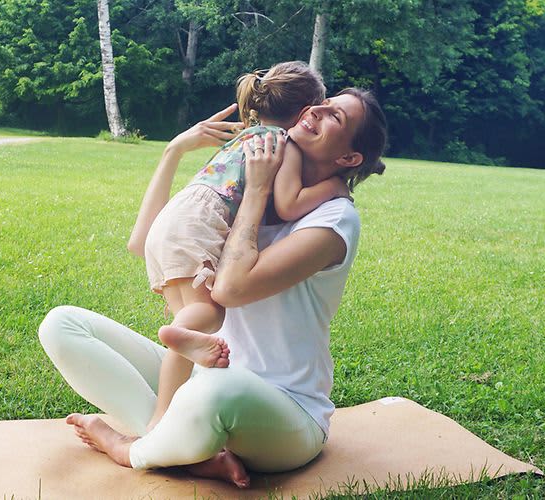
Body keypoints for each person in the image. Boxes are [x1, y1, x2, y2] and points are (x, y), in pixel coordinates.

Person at [38, 87, 388, 488]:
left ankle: (132, 448)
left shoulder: (334, 219)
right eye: (324, 103)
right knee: (61, 325)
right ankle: (188, 449)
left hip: (286, 409)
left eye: (335, 117)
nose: (318, 109)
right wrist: (175, 150)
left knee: (215, 392)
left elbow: (231, 289)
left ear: (348, 158)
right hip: (206, 374)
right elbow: (145, 241)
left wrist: (256, 192)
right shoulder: (253, 176)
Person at [135, 61, 350, 432]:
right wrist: (335, 188)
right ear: (305, 113)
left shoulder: (247, 135)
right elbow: (288, 203)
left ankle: (174, 421)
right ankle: (162, 412)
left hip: (174, 220)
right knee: (206, 320)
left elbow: (139, 241)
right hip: (199, 224)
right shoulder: (282, 144)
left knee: (197, 338)